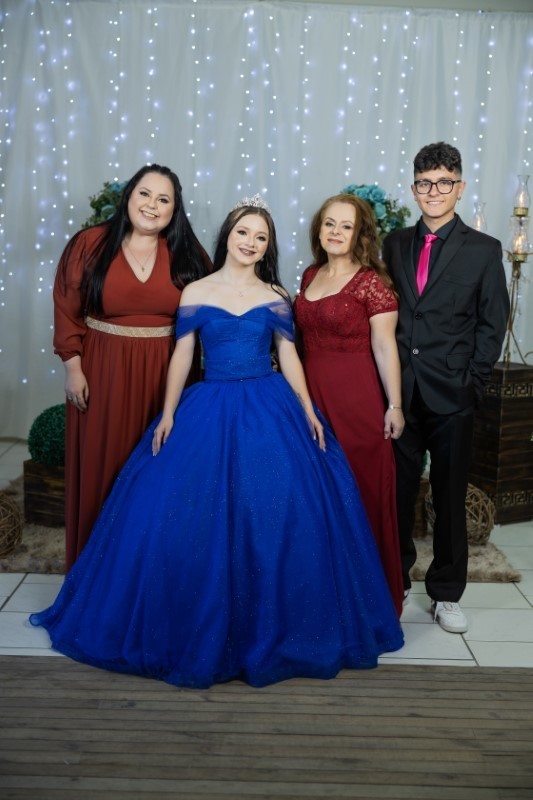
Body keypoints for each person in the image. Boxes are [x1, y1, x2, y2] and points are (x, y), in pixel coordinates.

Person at [30, 195, 404, 689]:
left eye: (261, 237)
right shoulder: (196, 290)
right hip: (210, 402)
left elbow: (289, 354)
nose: (251, 242)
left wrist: (308, 408)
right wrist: (168, 413)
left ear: (268, 247)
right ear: (228, 235)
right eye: (243, 232)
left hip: (268, 403)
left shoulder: (277, 293)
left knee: (278, 508)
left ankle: (276, 625)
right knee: (181, 509)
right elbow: (183, 355)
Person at [53, 163, 210, 570]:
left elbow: (216, 309)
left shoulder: (189, 254)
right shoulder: (90, 244)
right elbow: (67, 307)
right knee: (103, 473)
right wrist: (73, 367)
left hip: (168, 377)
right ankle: (93, 578)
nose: (152, 205)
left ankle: (150, 580)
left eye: (164, 199)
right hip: (103, 373)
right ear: (128, 196)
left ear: (174, 209)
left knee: (161, 478)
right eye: (145, 193)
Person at [381, 142, 509, 633]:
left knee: (450, 498)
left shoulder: (483, 249)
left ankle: (447, 592)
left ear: (460, 187)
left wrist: (472, 384)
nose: (433, 191)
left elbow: (491, 324)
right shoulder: (394, 244)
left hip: (454, 394)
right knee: (397, 494)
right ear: (413, 188)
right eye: (424, 183)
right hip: (400, 394)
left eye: (443, 183)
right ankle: (396, 583)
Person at [294, 194, 405, 617]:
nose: (336, 232)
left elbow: (385, 346)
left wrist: (394, 405)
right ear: (319, 229)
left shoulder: (371, 283)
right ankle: (324, 595)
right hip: (310, 396)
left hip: (356, 399)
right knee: (316, 495)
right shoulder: (310, 275)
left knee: (360, 492)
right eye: (329, 223)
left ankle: (370, 599)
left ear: (360, 234)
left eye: (346, 225)